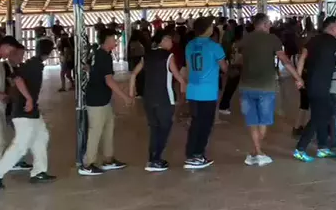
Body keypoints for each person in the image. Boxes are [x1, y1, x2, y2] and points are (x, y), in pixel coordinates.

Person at [239, 14, 301, 166]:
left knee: (252, 121)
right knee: (264, 120)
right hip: (266, 86)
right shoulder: (272, 39)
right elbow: (284, 60)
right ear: (265, 24)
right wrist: (297, 77)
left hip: (246, 85)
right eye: (269, 24)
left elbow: (238, 59)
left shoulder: (245, 39)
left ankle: (256, 151)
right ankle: (258, 152)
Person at [0, 38, 56, 190]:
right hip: (23, 111)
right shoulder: (33, 64)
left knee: (41, 137)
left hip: (31, 111)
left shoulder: (32, 64)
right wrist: (28, 98)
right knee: (20, 146)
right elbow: (17, 79)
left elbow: (14, 78)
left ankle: (39, 171)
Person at [129, 30, 186, 172]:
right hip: (164, 98)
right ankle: (155, 159)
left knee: (154, 128)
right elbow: (176, 75)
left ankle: (152, 158)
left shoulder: (147, 56)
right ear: (163, 40)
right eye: (169, 39)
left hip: (148, 98)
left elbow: (134, 73)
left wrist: (131, 91)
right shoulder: (169, 56)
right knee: (164, 128)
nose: (171, 42)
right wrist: (184, 86)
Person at [294, 17, 336, 163]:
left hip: (311, 83)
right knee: (318, 117)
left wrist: (298, 78)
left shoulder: (313, 41)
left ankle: (322, 147)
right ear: (332, 28)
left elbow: (302, 58)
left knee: (325, 113)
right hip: (321, 85)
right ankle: (300, 149)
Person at [79, 30, 132, 176]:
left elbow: (88, 67)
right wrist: (124, 97)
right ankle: (87, 164)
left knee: (108, 128)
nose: (116, 42)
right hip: (96, 100)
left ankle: (108, 159)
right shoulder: (103, 56)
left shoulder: (97, 53)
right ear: (107, 40)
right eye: (113, 39)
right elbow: (109, 80)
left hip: (103, 99)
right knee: (95, 131)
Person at [183, 17, 227, 170]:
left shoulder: (189, 45)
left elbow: (188, 68)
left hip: (193, 89)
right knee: (206, 124)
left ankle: (190, 154)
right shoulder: (215, 46)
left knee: (195, 123)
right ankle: (197, 154)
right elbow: (224, 67)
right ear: (207, 29)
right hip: (207, 91)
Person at [0, 43, 32, 173]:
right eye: (19, 54)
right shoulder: (4, 67)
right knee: (10, 137)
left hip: (9, 106)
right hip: (7, 107)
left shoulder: (14, 68)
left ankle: (13, 161)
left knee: (16, 135)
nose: (21, 58)